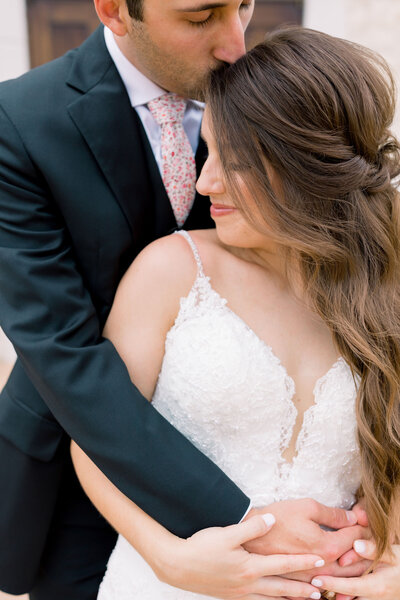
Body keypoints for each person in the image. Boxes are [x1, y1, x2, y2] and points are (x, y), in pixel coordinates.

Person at [0, 2, 364, 599]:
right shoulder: (18, 121)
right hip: (80, 464)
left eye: (243, 6)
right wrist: (240, 526)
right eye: (200, 18)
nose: (235, 44)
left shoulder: (271, 93)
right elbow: (61, 351)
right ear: (116, 10)